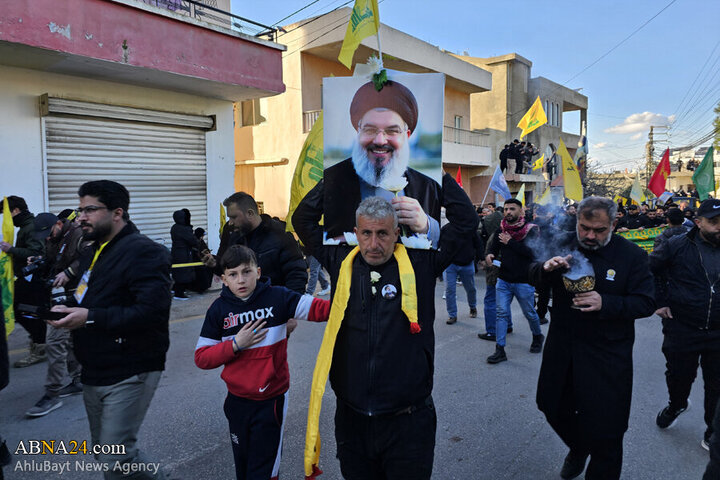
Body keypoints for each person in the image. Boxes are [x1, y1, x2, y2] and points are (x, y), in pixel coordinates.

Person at [293, 182, 477, 478]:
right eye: (366, 233)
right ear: (356, 232)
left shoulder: (422, 264)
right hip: (353, 422)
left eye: (382, 234)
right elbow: (302, 219)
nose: (373, 244)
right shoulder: (340, 261)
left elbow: (466, 220)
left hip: (408, 424)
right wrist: (335, 174)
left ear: (396, 234)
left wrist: (438, 178)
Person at [49, 180, 171, 479]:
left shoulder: (144, 251)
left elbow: (152, 311)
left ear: (117, 213)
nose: (81, 218)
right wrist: (66, 307)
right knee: (108, 453)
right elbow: (91, 296)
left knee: (116, 458)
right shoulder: (95, 251)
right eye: (80, 210)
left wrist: (89, 317)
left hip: (131, 366)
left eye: (90, 209)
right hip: (94, 367)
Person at [530, 196, 655, 480]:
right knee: (549, 404)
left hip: (607, 355)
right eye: (584, 227)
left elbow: (646, 302)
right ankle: (579, 446)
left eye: (598, 230)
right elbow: (532, 275)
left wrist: (606, 303)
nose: (589, 235)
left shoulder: (632, 256)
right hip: (563, 349)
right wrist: (546, 270)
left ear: (613, 224)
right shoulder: (563, 243)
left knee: (608, 432)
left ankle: (595, 456)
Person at [194, 245, 329, 480]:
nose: (241, 280)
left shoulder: (278, 297)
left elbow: (321, 310)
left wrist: (357, 298)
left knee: (265, 471)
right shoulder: (218, 309)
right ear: (223, 279)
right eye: (233, 275)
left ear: (258, 272)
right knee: (244, 467)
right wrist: (236, 344)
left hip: (271, 402)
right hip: (236, 402)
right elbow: (202, 357)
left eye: (246, 272)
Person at [322, 79, 441, 246]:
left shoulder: (428, 187)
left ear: (406, 136)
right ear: (358, 132)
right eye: (370, 129)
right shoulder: (331, 180)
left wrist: (427, 225)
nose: (379, 140)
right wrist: (329, 253)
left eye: (392, 131)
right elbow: (303, 219)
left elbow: (462, 227)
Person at [650, 198, 720, 451]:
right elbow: (651, 270)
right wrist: (659, 301)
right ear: (698, 222)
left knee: (717, 386)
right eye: (714, 222)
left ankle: (713, 432)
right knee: (679, 377)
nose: (719, 226)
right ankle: (676, 403)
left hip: (718, 331)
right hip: (682, 327)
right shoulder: (676, 245)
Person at [25, 211, 88, 417]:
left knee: (54, 342)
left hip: (76, 297)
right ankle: (78, 380)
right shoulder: (53, 238)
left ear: (59, 224)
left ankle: (51, 395)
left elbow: (90, 259)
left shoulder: (78, 235)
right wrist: (39, 260)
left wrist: (69, 272)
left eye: (49, 233)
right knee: (68, 342)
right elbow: (53, 259)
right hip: (58, 298)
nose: (48, 238)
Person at [209, 192, 307, 295]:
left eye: (234, 217)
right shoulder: (234, 237)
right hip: (245, 307)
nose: (230, 223)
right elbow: (229, 270)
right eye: (229, 218)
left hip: (275, 304)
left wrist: (288, 304)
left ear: (250, 213)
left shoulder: (280, 235)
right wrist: (215, 264)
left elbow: (296, 274)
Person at [485, 199, 545, 363]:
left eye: (512, 209)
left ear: (521, 211)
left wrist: (511, 242)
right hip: (503, 280)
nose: (508, 212)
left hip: (524, 281)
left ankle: (537, 336)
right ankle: (500, 349)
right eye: (505, 209)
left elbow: (533, 254)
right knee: (501, 314)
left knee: (530, 313)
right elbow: (494, 247)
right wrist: (489, 254)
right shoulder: (502, 229)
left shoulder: (531, 230)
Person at [0, 196, 46, 367]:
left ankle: (40, 347)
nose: (7, 219)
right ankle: (38, 343)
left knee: (26, 312)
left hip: (32, 278)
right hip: (26, 277)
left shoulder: (31, 227)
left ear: (16, 211)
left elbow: (35, 253)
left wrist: (11, 249)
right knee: (27, 311)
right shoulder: (26, 227)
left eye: (6, 214)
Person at [442, 224, 480, 325]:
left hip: (467, 263)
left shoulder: (470, 228)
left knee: (470, 288)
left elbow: (478, 243)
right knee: (450, 290)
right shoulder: (446, 229)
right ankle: (452, 315)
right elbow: (439, 244)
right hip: (450, 264)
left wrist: (481, 258)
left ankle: (472, 306)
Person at [477, 204, 503, 341]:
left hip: (495, 273)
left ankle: (492, 331)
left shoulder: (496, 236)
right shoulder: (506, 233)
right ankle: (507, 325)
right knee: (503, 301)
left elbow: (492, 255)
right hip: (503, 273)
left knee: (491, 301)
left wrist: (486, 262)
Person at [170, 208, 199, 300]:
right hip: (183, 253)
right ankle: (179, 293)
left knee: (178, 271)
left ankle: (175, 289)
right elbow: (192, 241)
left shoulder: (174, 227)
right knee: (184, 272)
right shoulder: (183, 229)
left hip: (176, 252)